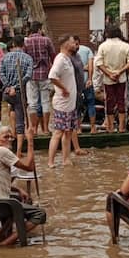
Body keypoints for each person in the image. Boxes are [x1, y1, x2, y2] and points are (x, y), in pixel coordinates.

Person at [0, 126, 45, 247]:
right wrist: (30, 141)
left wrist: (18, 189)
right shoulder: (2, 151)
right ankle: (6, 243)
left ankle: (0, 235)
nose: (10, 139)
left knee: (24, 199)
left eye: (10, 136)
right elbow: (29, 167)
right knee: (40, 214)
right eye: (5, 137)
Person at [47, 34, 80, 168]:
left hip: (70, 104)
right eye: (73, 42)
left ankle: (66, 159)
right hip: (62, 103)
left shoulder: (68, 58)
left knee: (68, 132)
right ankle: (50, 161)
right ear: (66, 44)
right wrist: (64, 89)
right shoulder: (60, 59)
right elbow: (52, 76)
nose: (75, 44)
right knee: (58, 133)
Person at [94, 25, 129, 133]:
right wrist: (120, 71)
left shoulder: (103, 46)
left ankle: (110, 127)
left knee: (109, 103)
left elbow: (98, 63)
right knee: (122, 102)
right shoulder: (125, 45)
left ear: (107, 34)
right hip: (121, 79)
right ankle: (121, 127)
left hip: (108, 80)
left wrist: (109, 74)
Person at [0, 34, 33, 156]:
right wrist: (15, 87)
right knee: (21, 122)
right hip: (19, 93)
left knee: (12, 110)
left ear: (13, 44)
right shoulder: (28, 58)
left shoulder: (5, 57)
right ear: (23, 45)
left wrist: (8, 87)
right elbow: (28, 76)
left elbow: (1, 74)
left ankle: (12, 136)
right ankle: (18, 152)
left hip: (7, 93)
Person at [24, 21, 56, 134]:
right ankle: (46, 129)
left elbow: (24, 58)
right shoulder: (46, 40)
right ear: (39, 29)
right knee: (45, 102)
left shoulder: (26, 42)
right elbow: (53, 56)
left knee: (32, 103)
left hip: (31, 75)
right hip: (44, 74)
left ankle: (33, 129)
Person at [75, 36, 97, 134]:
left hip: (76, 83)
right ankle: (93, 128)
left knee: (77, 106)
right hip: (86, 82)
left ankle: (78, 128)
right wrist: (89, 79)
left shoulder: (70, 51)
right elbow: (91, 66)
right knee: (91, 104)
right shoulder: (87, 49)